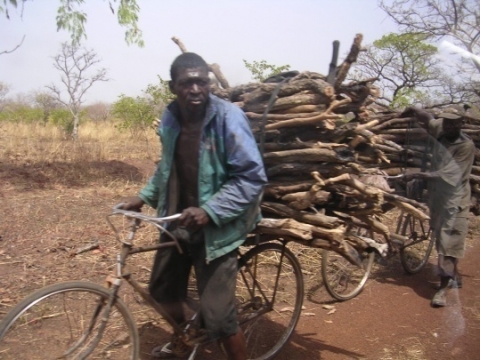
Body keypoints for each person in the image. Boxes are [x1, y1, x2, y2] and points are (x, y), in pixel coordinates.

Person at [120, 52, 267, 359]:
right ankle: (188, 335)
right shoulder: (172, 118)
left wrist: (210, 211)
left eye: (202, 82)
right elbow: (167, 167)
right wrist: (144, 196)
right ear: (174, 87)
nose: (196, 89)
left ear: (209, 84)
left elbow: (251, 177)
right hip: (178, 222)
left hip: (218, 228)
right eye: (188, 83)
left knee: (220, 319)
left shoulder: (228, 118)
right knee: (161, 292)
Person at [403, 106, 475, 307]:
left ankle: (442, 290)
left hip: (455, 201)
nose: (448, 125)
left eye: (453, 122)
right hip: (437, 198)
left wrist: (420, 175)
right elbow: (427, 117)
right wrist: (411, 110)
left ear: (462, 124)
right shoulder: (441, 129)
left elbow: (452, 175)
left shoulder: (466, 146)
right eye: (446, 121)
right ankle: (454, 275)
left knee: (448, 245)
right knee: (441, 239)